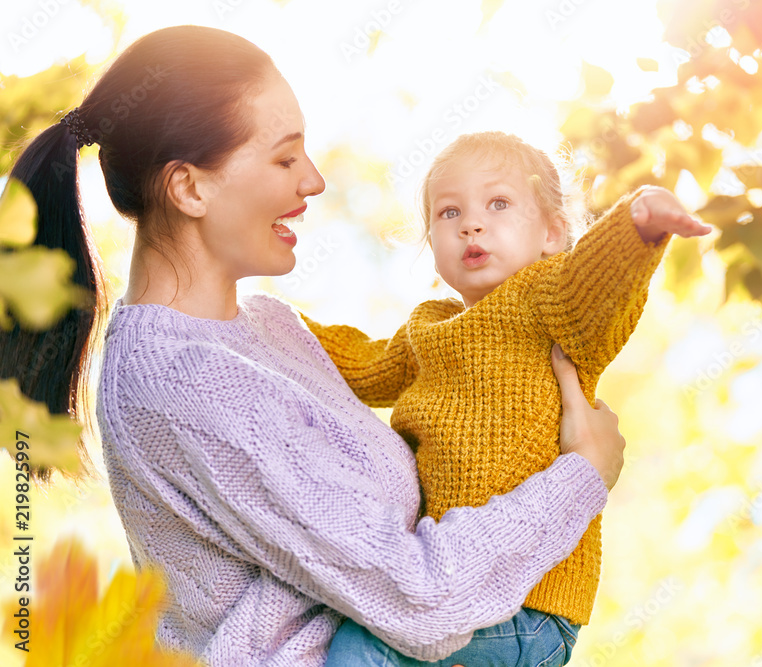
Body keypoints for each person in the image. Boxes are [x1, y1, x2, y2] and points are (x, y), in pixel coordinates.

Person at [1, 25, 629, 667]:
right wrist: (584, 475)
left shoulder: (269, 328)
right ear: (190, 188)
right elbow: (419, 597)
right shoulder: (180, 379)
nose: (315, 181)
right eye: (284, 158)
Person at [305, 132, 711, 665]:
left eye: (498, 204)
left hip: (529, 606)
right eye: (449, 212)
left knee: (360, 651)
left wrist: (637, 225)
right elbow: (359, 362)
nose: (472, 224)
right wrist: (277, 327)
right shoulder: (427, 330)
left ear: (552, 232)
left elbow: (595, 282)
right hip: (458, 588)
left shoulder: (547, 301)